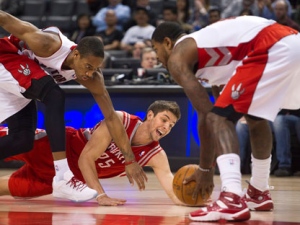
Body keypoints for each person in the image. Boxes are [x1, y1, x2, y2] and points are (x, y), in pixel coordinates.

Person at [151, 16, 300, 221]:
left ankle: (231, 197)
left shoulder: (177, 57)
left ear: (167, 43)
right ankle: (259, 191)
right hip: (289, 41)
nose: (157, 57)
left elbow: (208, 114)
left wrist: (205, 169)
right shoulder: (212, 54)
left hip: (270, 45)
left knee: (219, 119)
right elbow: (219, 107)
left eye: (156, 49)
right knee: (255, 117)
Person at [0, 10, 147, 200]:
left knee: (22, 140)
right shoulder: (47, 43)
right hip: (5, 58)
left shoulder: (92, 77)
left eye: (95, 68)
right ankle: (62, 176)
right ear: (76, 54)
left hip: (17, 82)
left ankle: (61, 176)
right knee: (54, 94)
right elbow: (5, 19)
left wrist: (129, 159)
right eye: (88, 66)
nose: (89, 73)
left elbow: (111, 116)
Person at [0, 100, 187, 206]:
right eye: (164, 120)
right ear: (151, 115)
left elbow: (172, 189)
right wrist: (100, 195)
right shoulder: (120, 121)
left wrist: (192, 200)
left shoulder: (156, 155)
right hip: (59, 150)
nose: (166, 127)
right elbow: (86, 159)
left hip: (68, 178)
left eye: (171, 125)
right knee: (12, 142)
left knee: (13, 190)